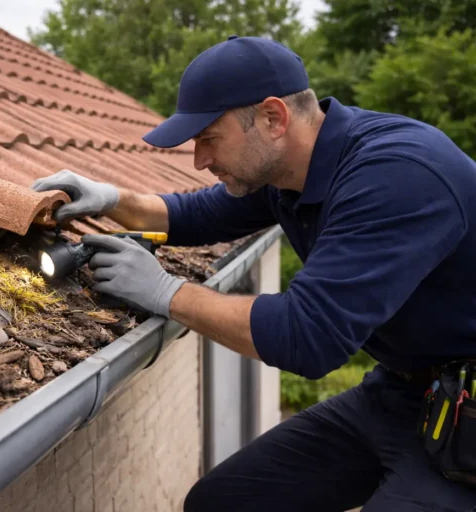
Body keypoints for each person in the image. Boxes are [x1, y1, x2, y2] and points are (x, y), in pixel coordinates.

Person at [31, 35, 476, 511]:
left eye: (208, 138)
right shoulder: (290, 170)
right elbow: (195, 214)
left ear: (272, 118)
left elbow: (307, 336)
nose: (199, 161)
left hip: (469, 417)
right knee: (223, 502)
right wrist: (114, 200)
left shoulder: (396, 175)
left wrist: (165, 291)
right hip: (403, 393)